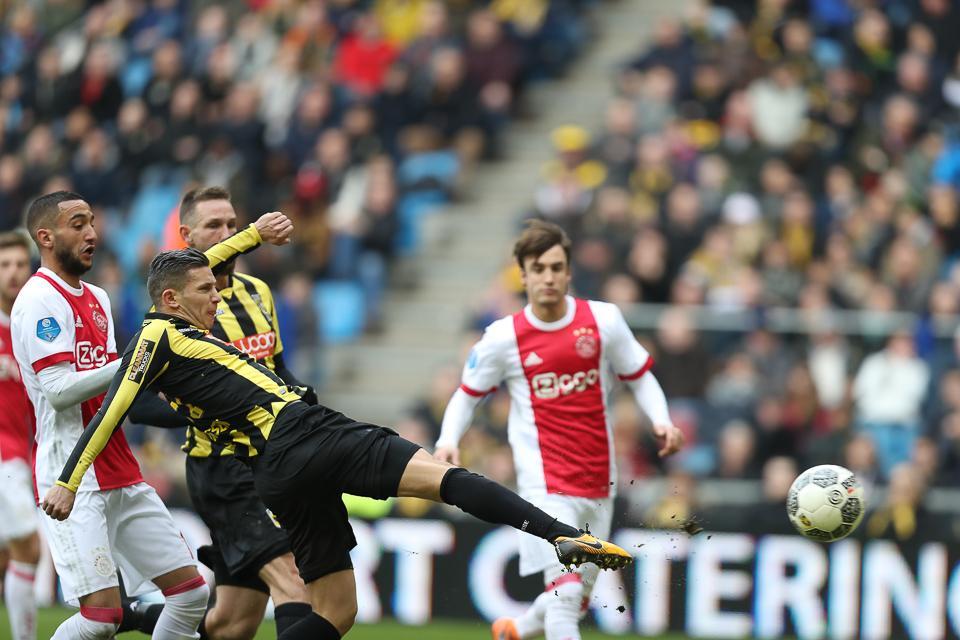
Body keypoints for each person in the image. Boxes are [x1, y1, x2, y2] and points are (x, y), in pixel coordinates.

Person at [42, 248, 633, 640]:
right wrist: (68, 481)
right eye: (204, 290)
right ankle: (561, 534)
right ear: (171, 299)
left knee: (336, 612)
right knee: (446, 480)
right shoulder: (156, 336)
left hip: (275, 471)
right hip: (306, 432)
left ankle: (561, 536)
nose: (217, 297)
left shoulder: (180, 340)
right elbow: (113, 409)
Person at [10, 191, 291, 640]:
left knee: (191, 594)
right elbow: (59, 392)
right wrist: (135, 359)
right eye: (78, 225)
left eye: (92, 222)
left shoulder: (97, 297)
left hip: (119, 466)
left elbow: (121, 383)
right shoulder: (39, 300)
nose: (92, 233)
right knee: (101, 618)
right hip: (70, 471)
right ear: (45, 237)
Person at [433, 220, 684, 640]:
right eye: (538, 268)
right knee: (566, 598)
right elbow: (467, 394)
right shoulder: (504, 337)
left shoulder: (603, 320)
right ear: (523, 275)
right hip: (543, 484)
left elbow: (639, 375)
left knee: (576, 597)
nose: (548, 277)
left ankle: (515, 630)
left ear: (568, 272)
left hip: (599, 479)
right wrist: (447, 441)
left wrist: (662, 420)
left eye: (555, 267)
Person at [125, 186, 312, 639]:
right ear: (187, 236)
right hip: (222, 470)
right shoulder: (172, 312)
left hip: (272, 462)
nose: (227, 232)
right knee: (293, 580)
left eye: (232, 223)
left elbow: (277, 368)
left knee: (232, 623)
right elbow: (138, 403)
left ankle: (131, 615)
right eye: (214, 225)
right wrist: (212, 410)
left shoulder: (258, 292)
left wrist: (305, 403)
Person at [0, 231, 40, 640]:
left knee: (6, 557)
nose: (13, 273)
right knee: (28, 546)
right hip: (3, 456)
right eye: (4, 265)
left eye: (19, 264)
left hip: (25, 455)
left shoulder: (32, 327)